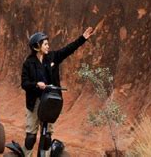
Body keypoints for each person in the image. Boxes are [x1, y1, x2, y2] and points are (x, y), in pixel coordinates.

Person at [21, 27, 95, 156]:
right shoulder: (28, 63)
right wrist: (36, 85)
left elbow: (68, 50)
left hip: (50, 102)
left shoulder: (53, 57)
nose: (48, 46)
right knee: (31, 137)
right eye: (45, 44)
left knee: (47, 136)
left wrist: (82, 38)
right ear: (37, 46)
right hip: (35, 102)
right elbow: (24, 83)